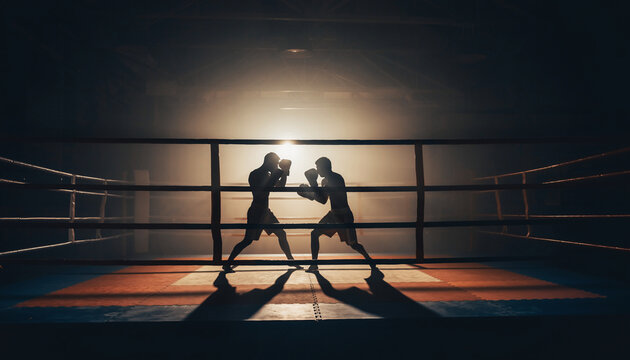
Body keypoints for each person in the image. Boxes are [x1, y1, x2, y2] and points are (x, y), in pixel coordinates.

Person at [297, 157, 379, 273]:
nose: (317, 170)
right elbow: (323, 199)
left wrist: (312, 185)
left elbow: (322, 197)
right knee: (314, 234)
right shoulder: (325, 181)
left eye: (318, 167)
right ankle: (314, 264)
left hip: (344, 215)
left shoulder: (336, 178)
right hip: (333, 215)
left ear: (324, 167)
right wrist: (310, 193)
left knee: (353, 244)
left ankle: (369, 260)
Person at [223, 152, 299, 272]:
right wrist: (277, 174)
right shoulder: (256, 174)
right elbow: (261, 192)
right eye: (275, 163)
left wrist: (284, 172)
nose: (276, 165)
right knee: (248, 240)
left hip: (265, 211)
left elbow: (281, 187)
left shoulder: (269, 174)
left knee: (281, 233)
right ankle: (227, 263)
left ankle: (290, 260)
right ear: (269, 161)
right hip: (257, 211)